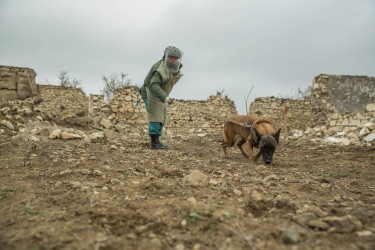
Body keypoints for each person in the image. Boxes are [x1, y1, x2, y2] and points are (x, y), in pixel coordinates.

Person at [140, 46, 183, 149]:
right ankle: (154, 143)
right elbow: (153, 85)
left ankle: (157, 140)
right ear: (165, 56)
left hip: (159, 92)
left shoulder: (173, 66)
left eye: (176, 58)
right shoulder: (159, 69)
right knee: (155, 116)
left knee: (162, 116)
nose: (174, 60)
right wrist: (165, 97)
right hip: (150, 91)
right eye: (171, 57)